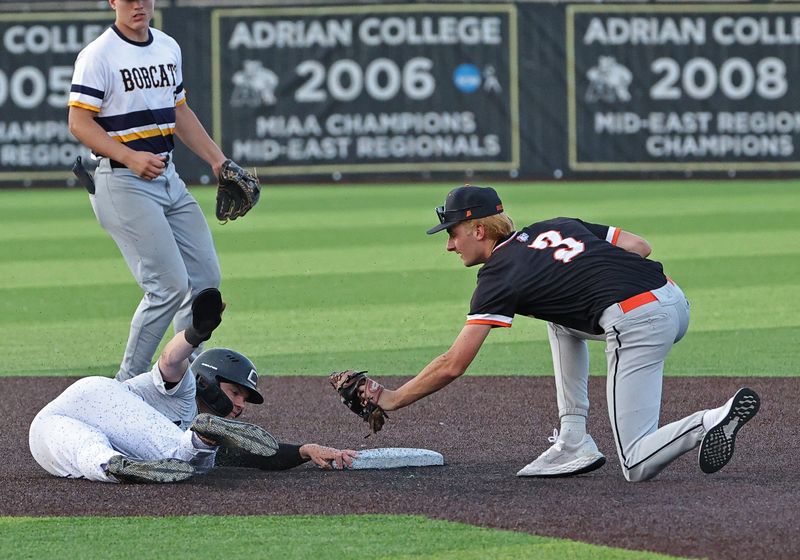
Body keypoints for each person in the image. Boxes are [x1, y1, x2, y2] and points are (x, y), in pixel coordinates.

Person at [350, 185, 760, 482]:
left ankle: (711, 420)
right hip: (673, 298)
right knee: (557, 316)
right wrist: (596, 279)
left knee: (635, 462)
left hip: (639, 321)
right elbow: (641, 245)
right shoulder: (556, 225)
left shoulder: (498, 276)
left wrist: (392, 398)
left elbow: (453, 364)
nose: (449, 246)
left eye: (453, 234)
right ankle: (572, 439)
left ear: (478, 229)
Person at [29, 289, 357, 483]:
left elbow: (253, 456)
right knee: (184, 456)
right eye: (235, 392)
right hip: (96, 399)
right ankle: (200, 437)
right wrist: (196, 334)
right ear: (210, 382)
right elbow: (171, 360)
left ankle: (121, 467)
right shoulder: (186, 389)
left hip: (49, 427)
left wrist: (304, 450)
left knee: (91, 458)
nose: (241, 405)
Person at [67, 0, 228, 381]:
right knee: (168, 286)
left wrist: (217, 159)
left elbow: (179, 111)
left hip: (168, 178)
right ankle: (124, 388)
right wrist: (130, 156)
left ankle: (181, 378)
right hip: (122, 180)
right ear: (112, 2)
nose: (137, 4)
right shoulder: (98, 54)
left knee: (205, 282)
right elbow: (78, 121)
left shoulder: (168, 46)